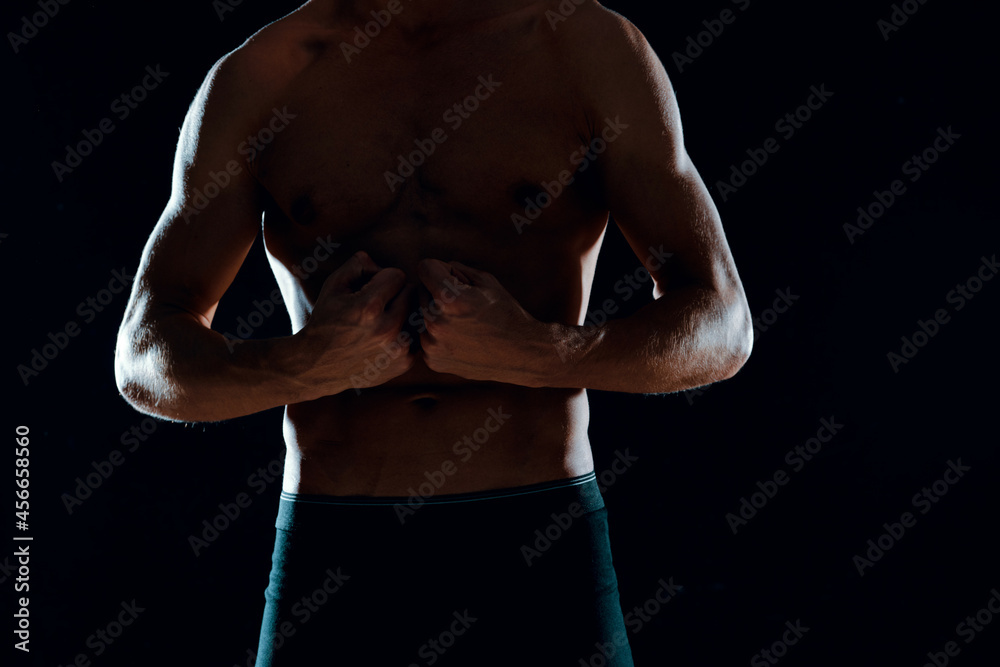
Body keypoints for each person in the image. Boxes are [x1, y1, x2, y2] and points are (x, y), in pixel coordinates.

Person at [114, 1, 752, 664]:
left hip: (542, 543)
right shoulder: (264, 75)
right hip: (335, 548)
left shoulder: (582, 49)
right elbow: (143, 353)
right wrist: (303, 364)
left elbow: (723, 323)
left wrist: (539, 354)